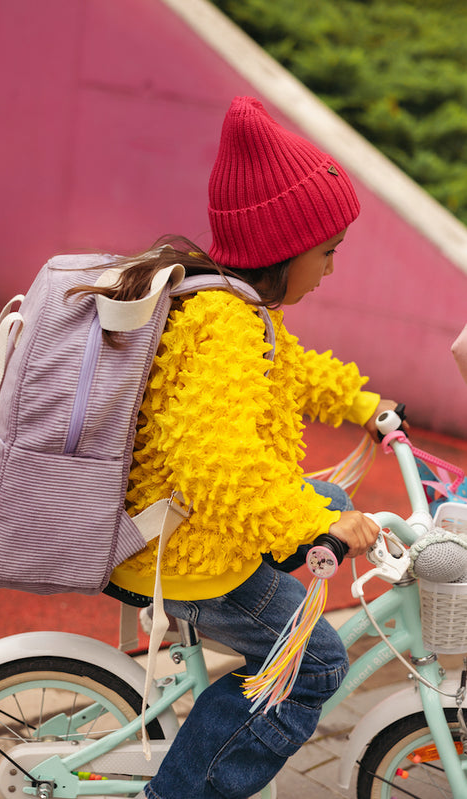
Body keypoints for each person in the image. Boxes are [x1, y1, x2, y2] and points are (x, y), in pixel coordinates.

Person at [100, 96, 403, 798]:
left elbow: (297, 371)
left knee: (330, 498)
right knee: (318, 663)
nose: (330, 268)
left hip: (196, 527)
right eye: (326, 252)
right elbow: (215, 463)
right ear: (283, 247)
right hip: (188, 554)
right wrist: (308, 525)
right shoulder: (224, 326)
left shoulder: (242, 309)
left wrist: (368, 406)